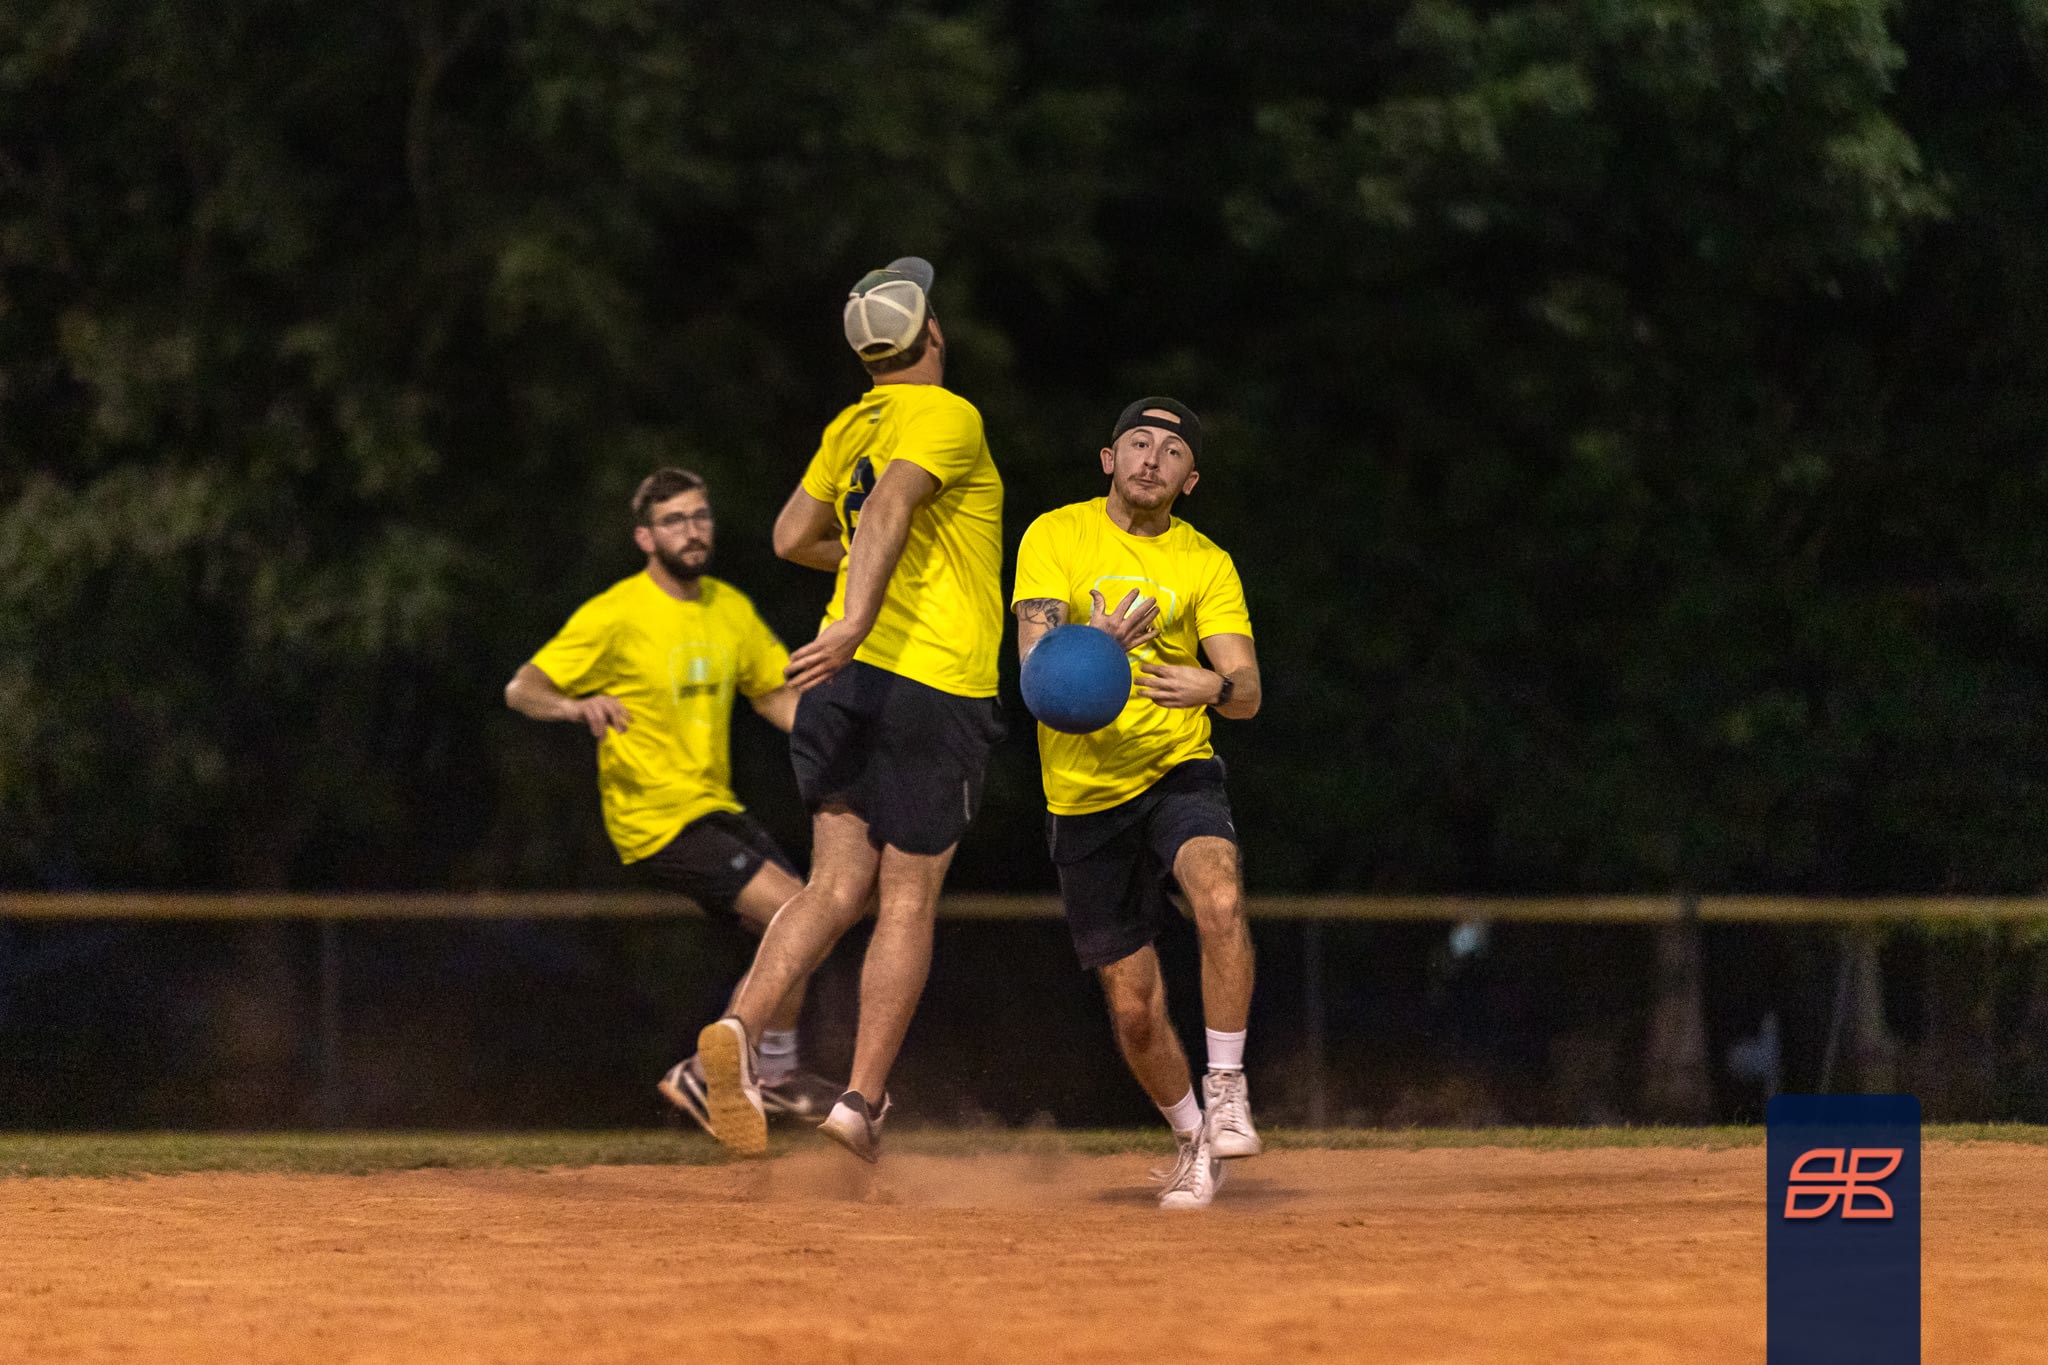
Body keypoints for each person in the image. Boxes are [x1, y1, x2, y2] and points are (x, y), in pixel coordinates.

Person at [694, 256, 1005, 1162]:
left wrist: (858, 594)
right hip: (930, 682)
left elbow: (792, 535)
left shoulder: (851, 423)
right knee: (906, 898)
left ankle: (740, 1027)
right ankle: (859, 1103)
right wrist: (863, 612)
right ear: (932, 334)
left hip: (839, 690)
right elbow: (894, 503)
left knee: (832, 889)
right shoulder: (948, 414)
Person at [505, 467, 840, 1131]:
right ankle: (708, 1073)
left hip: (714, 806)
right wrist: (575, 706)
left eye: (699, 516)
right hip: (655, 816)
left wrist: (840, 737)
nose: (692, 531)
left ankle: (773, 1073)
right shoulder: (617, 613)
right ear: (646, 537)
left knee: (810, 924)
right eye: (674, 520)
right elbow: (523, 688)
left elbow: (773, 695)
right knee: (797, 914)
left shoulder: (728, 607)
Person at [1011, 397, 1263, 1209]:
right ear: (1108, 458)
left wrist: (1210, 685)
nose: (1153, 458)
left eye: (1172, 451)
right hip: (1085, 794)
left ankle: (1227, 1087)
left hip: (1177, 767)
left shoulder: (1207, 562)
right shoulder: (1055, 535)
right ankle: (1192, 1138)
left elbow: (1248, 690)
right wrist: (1101, 645)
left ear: (1191, 481)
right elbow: (1036, 676)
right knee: (1135, 1010)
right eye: (1138, 442)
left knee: (1219, 895)